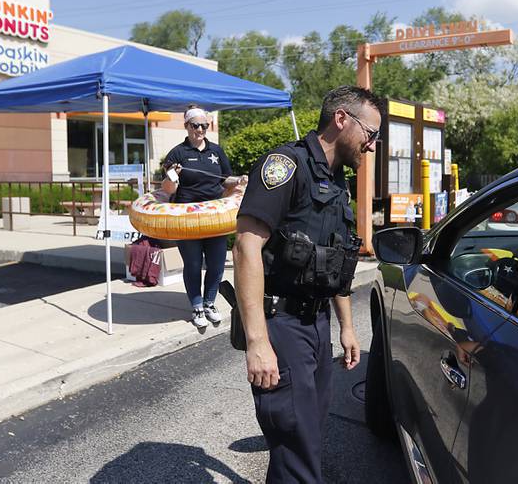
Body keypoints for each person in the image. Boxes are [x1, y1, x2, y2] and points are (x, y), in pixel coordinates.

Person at [232, 85, 386, 483]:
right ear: (341, 119)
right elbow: (246, 247)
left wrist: (347, 326)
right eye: (371, 135)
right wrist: (257, 342)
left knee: (305, 440)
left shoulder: (336, 181)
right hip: (280, 326)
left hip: (316, 327)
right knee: (296, 443)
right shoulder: (285, 165)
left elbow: (336, 260)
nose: (372, 146)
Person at [162, 107, 245, 328]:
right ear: (187, 126)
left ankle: (209, 302)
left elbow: (224, 180)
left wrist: (237, 181)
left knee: (217, 263)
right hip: (187, 217)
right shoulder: (177, 153)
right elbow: (168, 189)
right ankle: (196, 305)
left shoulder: (216, 151)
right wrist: (173, 175)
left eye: (204, 126)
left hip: (214, 216)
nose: (200, 130)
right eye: (195, 125)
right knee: (193, 263)